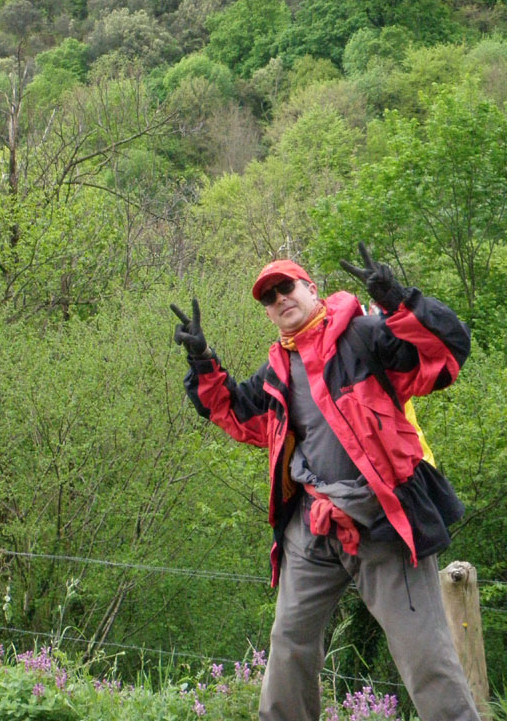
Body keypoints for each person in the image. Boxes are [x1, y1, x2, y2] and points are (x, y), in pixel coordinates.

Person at [171, 243, 481, 721]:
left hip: (384, 520)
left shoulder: (365, 336)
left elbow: (443, 354)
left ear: (311, 289)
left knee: (425, 656)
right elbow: (235, 412)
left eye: (286, 287)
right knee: (288, 648)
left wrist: (398, 300)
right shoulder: (276, 371)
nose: (279, 298)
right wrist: (203, 360)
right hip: (312, 525)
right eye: (269, 296)